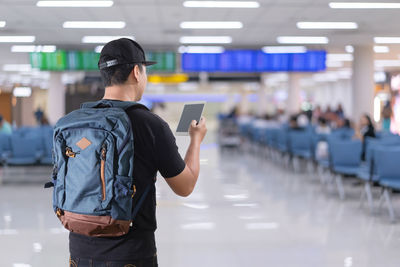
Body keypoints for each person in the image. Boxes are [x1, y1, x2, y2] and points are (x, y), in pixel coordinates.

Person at [68, 38, 207, 267]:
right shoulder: (150, 125)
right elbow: (185, 186)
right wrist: (196, 140)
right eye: (145, 71)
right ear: (136, 71)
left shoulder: (76, 122)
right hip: (130, 254)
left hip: (79, 249)